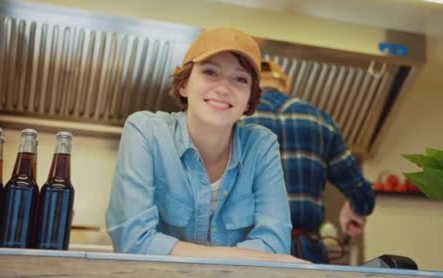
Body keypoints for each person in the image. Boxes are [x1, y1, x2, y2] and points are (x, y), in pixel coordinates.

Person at [106, 28, 306, 263]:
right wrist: (248, 256)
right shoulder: (146, 131)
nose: (223, 88)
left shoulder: (261, 146)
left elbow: (275, 244)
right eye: (210, 72)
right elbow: (132, 241)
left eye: (240, 79)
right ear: (184, 85)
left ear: (249, 99)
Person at [242, 59, 375, 264]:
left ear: (251, 86)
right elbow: (362, 192)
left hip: (249, 252)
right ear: (286, 87)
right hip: (306, 254)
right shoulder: (321, 120)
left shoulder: (236, 118)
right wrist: (355, 209)